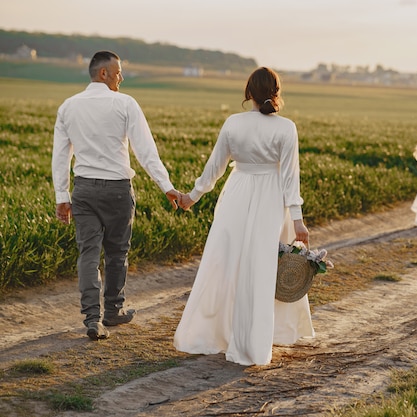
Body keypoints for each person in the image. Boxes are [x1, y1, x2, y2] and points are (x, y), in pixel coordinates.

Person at [174, 67, 314, 366]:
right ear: (276, 93)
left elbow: (214, 169)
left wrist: (191, 198)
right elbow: (291, 179)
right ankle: (251, 343)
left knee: (224, 263)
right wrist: (298, 219)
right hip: (270, 198)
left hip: (236, 194)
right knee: (260, 268)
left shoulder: (233, 123)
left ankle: (212, 333)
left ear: (248, 92)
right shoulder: (286, 128)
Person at [52, 51, 180, 341]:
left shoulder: (68, 106)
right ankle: (113, 311)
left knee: (88, 254)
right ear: (103, 74)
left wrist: (63, 195)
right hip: (118, 191)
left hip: (83, 189)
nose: (121, 77)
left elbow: (61, 156)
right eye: (118, 72)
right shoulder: (125, 104)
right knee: (117, 253)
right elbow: (145, 152)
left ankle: (92, 319)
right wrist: (166, 186)